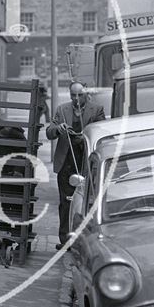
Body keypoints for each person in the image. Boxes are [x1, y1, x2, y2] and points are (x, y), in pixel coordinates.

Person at [46, 82, 105, 249]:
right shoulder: (62, 110)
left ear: (86, 94)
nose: (76, 99)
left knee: (85, 202)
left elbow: (101, 132)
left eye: (79, 95)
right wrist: (58, 129)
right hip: (66, 162)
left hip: (86, 162)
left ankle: (83, 241)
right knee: (66, 202)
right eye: (73, 95)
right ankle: (65, 240)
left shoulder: (97, 109)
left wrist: (84, 137)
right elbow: (49, 132)